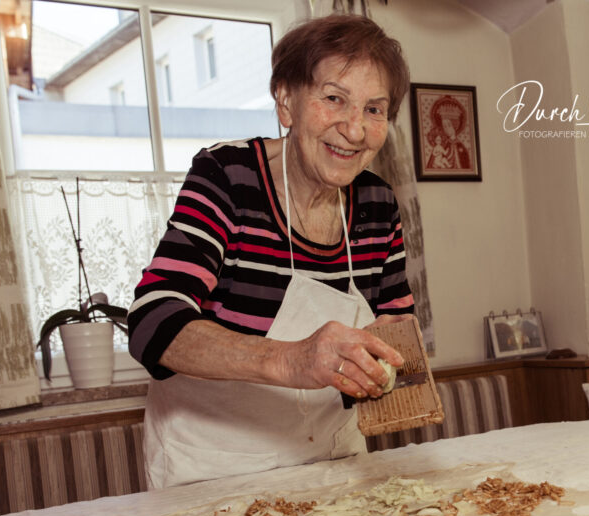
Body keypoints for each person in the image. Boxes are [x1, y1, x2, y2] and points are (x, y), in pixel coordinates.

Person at [127, 15, 414, 489]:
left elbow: (397, 333)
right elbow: (152, 321)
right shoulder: (228, 175)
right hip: (214, 467)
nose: (355, 129)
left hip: (333, 457)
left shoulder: (377, 204)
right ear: (286, 102)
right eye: (334, 98)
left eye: (374, 109)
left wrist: (386, 364)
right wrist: (292, 359)